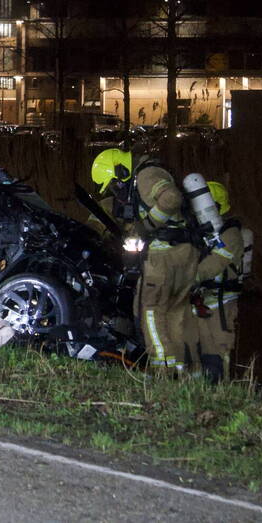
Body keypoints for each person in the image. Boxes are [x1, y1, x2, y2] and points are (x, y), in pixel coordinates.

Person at [91, 148, 199, 372]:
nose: (116, 190)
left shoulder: (146, 176)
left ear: (121, 171)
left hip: (164, 257)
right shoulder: (150, 173)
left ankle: (162, 371)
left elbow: (171, 198)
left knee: (151, 312)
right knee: (175, 316)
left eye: (115, 184)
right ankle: (181, 371)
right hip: (183, 254)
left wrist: (146, 226)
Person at [193, 181, 248, 383]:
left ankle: (218, 393)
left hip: (222, 303)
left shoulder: (231, 234)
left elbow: (216, 262)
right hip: (201, 301)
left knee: (218, 352)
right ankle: (196, 391)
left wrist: (189, 278)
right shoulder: (203, 234)